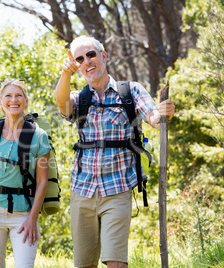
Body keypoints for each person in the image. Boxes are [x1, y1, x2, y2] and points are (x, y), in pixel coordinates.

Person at [55, 35, 175, 268]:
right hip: (82, 188)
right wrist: (65, 74)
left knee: (116, 262)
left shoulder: (130, 91)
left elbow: (154, 118)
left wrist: (165, 113)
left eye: (91, 54)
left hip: (118, 188)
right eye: (80, 58)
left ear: (104, 56)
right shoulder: (81, 98)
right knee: (85, 264)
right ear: (77, 66)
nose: (87, 61)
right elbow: (63, 105)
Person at [0, 79, 51, 268]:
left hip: (24, 214)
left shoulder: (38, 136)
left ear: (26, 101)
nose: (13, 100)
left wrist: (33, 218)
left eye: (18, 95)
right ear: (0, 102)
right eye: (8, 96)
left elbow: (42, 182)